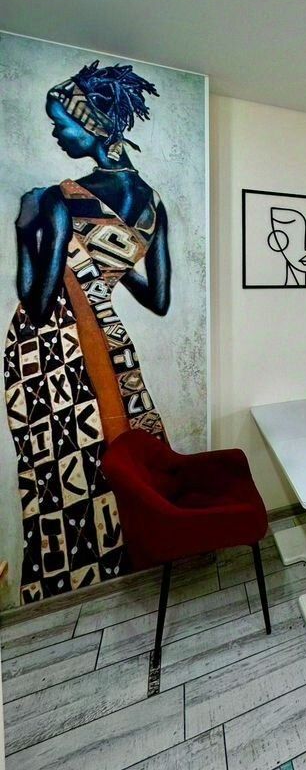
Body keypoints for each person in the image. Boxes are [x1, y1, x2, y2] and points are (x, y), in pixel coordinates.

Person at [4, 60, 171, 603]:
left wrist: (23, 230)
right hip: (109, 341)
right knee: (116, 450)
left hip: (51, 353)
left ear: (93, 125)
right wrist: (104, 274)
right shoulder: (152, 204)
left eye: (62, 124)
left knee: (60, 473)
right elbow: (158, 298)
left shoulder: (59, 198)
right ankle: (130, 553)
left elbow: (36, 302)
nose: (57, 133)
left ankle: (69, 576)